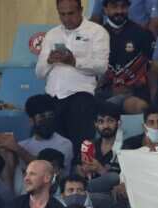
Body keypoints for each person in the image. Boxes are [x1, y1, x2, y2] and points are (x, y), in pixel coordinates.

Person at [35, 0, 110, 152]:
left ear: (81, 10)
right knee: (53, 148)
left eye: (71, 13)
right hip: (53, 97)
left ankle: (79, 165)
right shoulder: (52, 34)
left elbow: (101, 67)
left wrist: (74, 61)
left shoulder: (97, 32)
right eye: (62, 14)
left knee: (79, 146)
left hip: (81, 97)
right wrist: (49, 61)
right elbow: (39, 73)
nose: (66, 18)